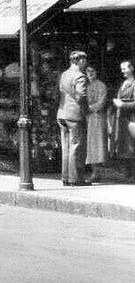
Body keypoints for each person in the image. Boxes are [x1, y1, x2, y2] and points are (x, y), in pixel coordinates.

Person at [58, 50, 90, 186]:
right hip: (75, 115)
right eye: (84, 60)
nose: (86, 62)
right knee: (76, 146)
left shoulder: (64, 74)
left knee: (66, 147)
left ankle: (65, 177)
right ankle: (76, 179)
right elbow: (81, 96)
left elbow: (60, 91)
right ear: (79, 60)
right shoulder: (80, 76)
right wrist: (87, 109)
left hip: (62, 114)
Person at [84, 66, 109, 183]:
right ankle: (92, 172)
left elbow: (101, 103)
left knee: (96, 146)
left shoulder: (101, 86)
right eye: (87, 71)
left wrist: (87, 108)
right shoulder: (84, 86)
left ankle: (96, 173)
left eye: (92, 71)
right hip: (87, 118)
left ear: (96, 71)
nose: (89, 73)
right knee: (89, 146)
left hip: (97, 118)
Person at [115, 60, 135, 181]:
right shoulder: (124, 83)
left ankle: (133, 175)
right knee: (124, 147)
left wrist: (122, 105)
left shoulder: (134, 83)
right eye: (121, 69)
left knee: (132, 146)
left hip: (131, 119)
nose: (122, 71)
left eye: (125, 68)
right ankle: (127, 174)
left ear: (132, 68)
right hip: (122, 119)